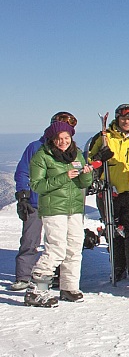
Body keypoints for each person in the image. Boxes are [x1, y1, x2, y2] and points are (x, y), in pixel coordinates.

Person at [24, 120, 95, 306]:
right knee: (56, 248)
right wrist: (64, 177)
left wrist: (87, 173)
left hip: (75, 208)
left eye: (66, 138)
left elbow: (83, 184)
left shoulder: (77, 154)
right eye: (59, 138)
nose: (63, 142)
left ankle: (69, 287)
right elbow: (36, 186)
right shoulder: (42, 156)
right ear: (52, 140)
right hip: (54, 208)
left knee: (74, 247)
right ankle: (36, 290)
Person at [12, 111, 78, 291]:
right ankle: (24, 277)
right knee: (30, 240)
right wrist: (23, 195)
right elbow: (23, 172)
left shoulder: (71, 151)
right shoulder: (36, 147)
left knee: (57, 242)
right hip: (36, 202)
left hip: (59, 205)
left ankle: (55, 275)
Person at [89, 104, 129, 283]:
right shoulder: (105, 137)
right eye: (123, 118)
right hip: (109, 191)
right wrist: (99, 159)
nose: (127, 121)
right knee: (113, 230)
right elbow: (90, 161)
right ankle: (118, 265)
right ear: (117, 118)